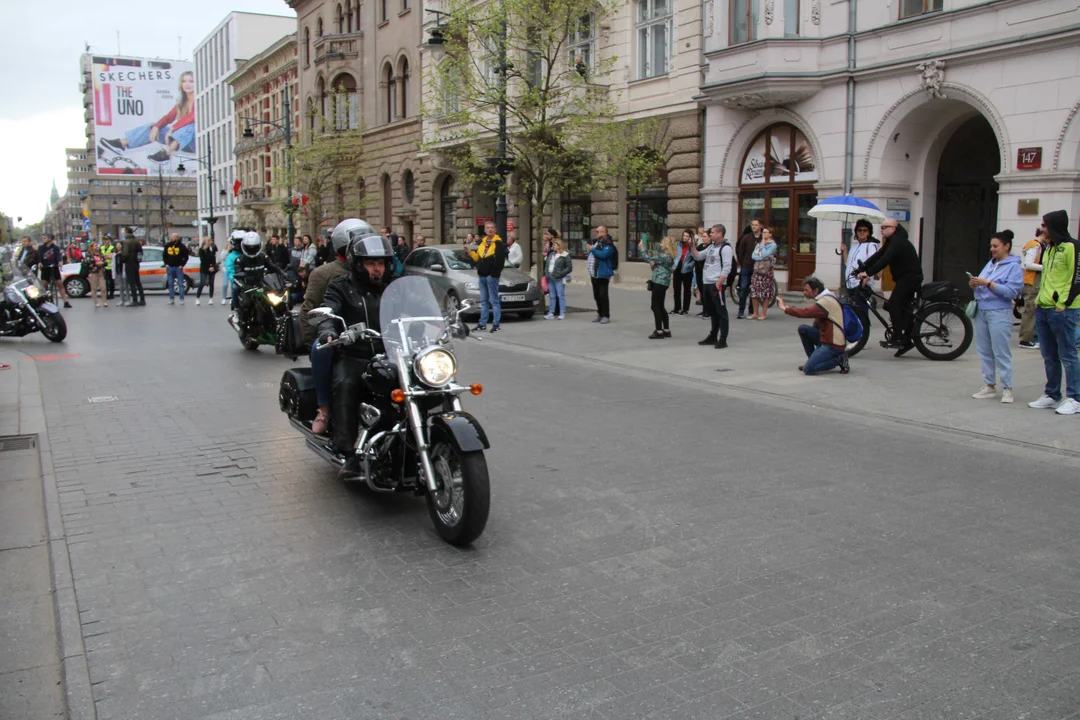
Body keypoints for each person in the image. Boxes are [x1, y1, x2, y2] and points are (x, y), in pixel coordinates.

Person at [312, 233, 395, 477]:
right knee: (346, 384)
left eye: (381, 263)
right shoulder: (341, 286)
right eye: (371, 263)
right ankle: (348, 452)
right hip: (355, 355)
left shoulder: (395, 284)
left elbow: (418, 302)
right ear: (358, 265)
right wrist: (328, 329)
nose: (377, 269)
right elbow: (329, 311)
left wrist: (441, 322)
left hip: (392, 354)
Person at [304, 220, 369, 435]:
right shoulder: (324, 274)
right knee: (319, 350)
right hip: (337, 335)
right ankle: (323, 408)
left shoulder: (377, 270)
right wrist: (317, 339)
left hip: (372, 333)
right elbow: (309, 309)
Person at [1028, 210, 1080, 415]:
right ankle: (1052, 394)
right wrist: (1040, 302)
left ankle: (1075, 398)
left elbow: (1077, 277)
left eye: (1045, 225)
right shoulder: (1049, 248)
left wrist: (1064, 303)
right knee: (1049, 355)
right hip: (1044, 307)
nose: (1042, 228)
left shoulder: (1072, 247)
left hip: (1063, 310)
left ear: (1054, 226)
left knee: (1068, 355)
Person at [969, 230, 1023, 404]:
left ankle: (1007, 388)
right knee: (984, 350)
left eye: (995, 246)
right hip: (982, 310)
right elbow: (984, 285)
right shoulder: (991, 263)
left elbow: (1011, 292)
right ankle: (989, 385)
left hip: (999, 311)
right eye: (991, 246)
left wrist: (988, 283)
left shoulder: (1013, 266)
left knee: (1001, 351)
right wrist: (975, 284)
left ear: (1006, 246)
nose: (992, 249)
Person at [856, 219, 922, 356]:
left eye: (884, 227)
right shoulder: (892, 241)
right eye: (881, 227)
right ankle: (907, 340)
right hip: (905, 278)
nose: (881, 230)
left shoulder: (897, 242)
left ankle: (897, 337)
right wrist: (861, 268)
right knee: (900, 307)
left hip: (910, 277)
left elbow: (885, 260)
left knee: (893, 304)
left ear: (893, 228)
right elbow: (878, 255)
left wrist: (868, 273)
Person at [99, 71, 195, 163]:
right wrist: (156, 127)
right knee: (153, 127)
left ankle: (166, 153)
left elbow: (193, 116)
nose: (187, 84)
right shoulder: (181, 103)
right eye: (184, 81)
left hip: (196, 143)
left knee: (193, 125)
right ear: (181, 84)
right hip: (181, 141)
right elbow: (169, 118)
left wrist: (173, 128)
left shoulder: (200, 99)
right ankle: (121, 143)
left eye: (191, 81)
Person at [777, 276, 850, 376]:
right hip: (826, 338)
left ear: (816, 290)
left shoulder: (826, 301)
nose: (804, 292)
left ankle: (839, 359)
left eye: (806, 290)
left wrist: (785, 308)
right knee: (803, 329)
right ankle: (813, 360)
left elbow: (806, 312)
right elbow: (817, 321)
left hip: (833, 344)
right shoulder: (827, 296)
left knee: (808, 370)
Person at [690, 224, 733, 349]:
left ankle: (723, 339)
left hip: (716, 283)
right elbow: (698, 255)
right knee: (712, 311)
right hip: (706, 283)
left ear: (720, 234)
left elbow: (727, 267)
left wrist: (718, 283)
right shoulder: (711, 247)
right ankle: (713, 336)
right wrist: (692, 244)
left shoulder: (725, 248)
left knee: (721, 312)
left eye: (713, 232)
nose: (710, 234)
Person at [467, 221, 508, 333]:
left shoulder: (498, 243)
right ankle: (482, 323)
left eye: (492, 228)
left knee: (494, 300)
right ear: (484, 230)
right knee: (484, 301)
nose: (489, 230)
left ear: (495, 230)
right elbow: (479, 258)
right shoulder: (482, 243)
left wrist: (493, 274)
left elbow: (500, 261)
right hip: (482, 275)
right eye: (487, 228)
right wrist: (470, 253)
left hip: (491, 276)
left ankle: (496, 324)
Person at [639, 236, 675, 339]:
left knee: (655, 306)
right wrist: (654, 266)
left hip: (659, 282)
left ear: (667, 245)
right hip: (663, 282)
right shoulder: (669, 257)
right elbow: (657, 265)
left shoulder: (664, 256)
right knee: (660, 306)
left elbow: (647, 258)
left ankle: (659, 331)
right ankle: (666, 330)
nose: (660, 245)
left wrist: (642, 247)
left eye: (662, 243)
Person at [842, 219, 881, 311]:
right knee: (853, 314)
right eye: (859, 230)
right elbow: (848, 264)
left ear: (869, 232)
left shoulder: (871, 246)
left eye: (865, 230)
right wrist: (845, 251)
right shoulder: (855, 246)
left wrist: (864, 282)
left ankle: (864, 326)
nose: (862, 232)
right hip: (850, 285)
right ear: (856, 232)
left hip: (861, 285)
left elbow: (874, 263)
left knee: (861, 313)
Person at [1019, 228, 1045, 349]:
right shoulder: (1035, 246)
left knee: (1031, 310)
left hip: (1033, 281)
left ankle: (1029, 338)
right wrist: (1046, 267)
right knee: (1030, 311)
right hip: (1033, 281)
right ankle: (1026, 340)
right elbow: (1028, 264)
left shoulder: (1035, 245)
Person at [586, 226, 616, 324]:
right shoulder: (596, 243)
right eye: (596, 232)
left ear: (604, 232)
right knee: (597, 295)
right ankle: (600, 313)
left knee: (603, 295)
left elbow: (603, 255)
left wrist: (592, 250)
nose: (596, 233)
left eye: (598, 232)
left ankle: (606, 315)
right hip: (594, 273)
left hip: (603, 273)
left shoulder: (608, 244)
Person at [749, 227, 778, 320]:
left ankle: (763, 313)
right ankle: (755, 313)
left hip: (766, 270)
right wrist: (762, 255)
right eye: (763, 232)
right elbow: (753, 256)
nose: (763, 234)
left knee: (766, 292)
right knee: (754, 291)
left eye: (765, 232)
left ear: (770, 234)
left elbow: (765, 254)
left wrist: (762, 249)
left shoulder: (773, 245)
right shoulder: (759, 244)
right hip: (757, 269)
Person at [735, 220, 761, 319]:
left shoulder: (763, 238)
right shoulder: (746, 237)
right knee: (744, 288)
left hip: (758, 268)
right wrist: (743, 263)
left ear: (760, 226)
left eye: (756, 225)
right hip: (746, 266)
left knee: (754, 290)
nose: (754, 227)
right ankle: (741, 310)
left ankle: (752, 310)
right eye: (752, 225)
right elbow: (740, 251)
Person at [37, 235, 71, 308]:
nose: (43, 239)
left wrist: (59, 262)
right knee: (44, 284)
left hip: (54, 267)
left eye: (45, 238)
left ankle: (66, 301)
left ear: (50, 239)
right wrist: (39, 262)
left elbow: (58, 256)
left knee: (59, 283)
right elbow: (39, 256)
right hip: (45, 267)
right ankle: (44, 300)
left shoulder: (55, 248)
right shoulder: (41, 248)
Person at [544, 237, 572, 321]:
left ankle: (562, 312)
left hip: (559, 277)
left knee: (560, 295)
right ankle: (551, 312)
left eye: (554, 245)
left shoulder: (565, 255)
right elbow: (547, 265)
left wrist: (561, 273)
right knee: (552, 296)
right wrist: (546, 274)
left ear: (559, 246)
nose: (553, 246)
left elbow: (569, 267)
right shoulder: (552, 254)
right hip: (550, 276)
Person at [672, 230, 695, 316]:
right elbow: (674, 254)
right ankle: (676, 308)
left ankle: (685, 309)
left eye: (687, 236)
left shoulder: (692, 246)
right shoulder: (678, 244)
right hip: (678, 267)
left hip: (687, 269)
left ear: (690, 237)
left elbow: (695, 257)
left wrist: (691, 245)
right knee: (676, 288)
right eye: (684, 236)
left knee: (686, 290)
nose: (685, 237)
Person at [163, 233, 189, 305]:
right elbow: (164, 255)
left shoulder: (182, 246)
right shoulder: (168, 245)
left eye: (172, 237)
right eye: (171, 237)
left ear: (176, 238)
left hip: (178, 267)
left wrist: (182, 265)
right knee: (170, 284)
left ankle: (181, 299)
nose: (171, 238)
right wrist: (166, 264)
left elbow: (186, 256)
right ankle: (171, 298)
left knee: (180, 283)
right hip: (170, 267)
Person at [121, 233, 145, 306]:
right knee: (138, 282)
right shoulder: (137, 242)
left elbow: (125, 254)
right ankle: (142, 299)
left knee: (132, 283)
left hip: (129, 263)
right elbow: (141, 252)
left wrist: (122, 259)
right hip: (136, 263)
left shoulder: (126, 242)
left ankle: (134, 300)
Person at [195, 237, 218, 306]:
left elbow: (214, 259)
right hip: (204, 268)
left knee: (211, 283)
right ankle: (197, 298)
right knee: (202, 283)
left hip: (212, 268)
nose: (211, 242)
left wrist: (213, 266)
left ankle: (211, 298)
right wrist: (208, 267)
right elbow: (203, 260)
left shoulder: (212, 248)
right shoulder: (201, 250)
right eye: (210, 241)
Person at [224, 231, 244, 309]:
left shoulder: (251, 254)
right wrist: (235, 280)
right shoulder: (231, 257)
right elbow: (230, 271)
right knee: (235, 288)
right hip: (240, 281)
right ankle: (236, 308)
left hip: (252, 279)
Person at [85, 242, 107, 307]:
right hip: (93, 272)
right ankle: (96, 302)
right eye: (95, 245)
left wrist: (102, 263)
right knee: (94, 288)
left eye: (97, 245)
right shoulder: (89, 254)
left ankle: (104, 301)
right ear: (91, 247)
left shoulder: (100, 253)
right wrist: (96, 263)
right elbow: (88, 262)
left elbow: (105, 261)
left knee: (103, 287)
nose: (97, 246)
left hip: (101, 271)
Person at [101, 234, 116, 299]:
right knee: (105, 282)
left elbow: (112, 256)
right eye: (104, 240)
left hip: (111, 267)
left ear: (109, 240)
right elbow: (100, 256)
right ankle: (106, 293)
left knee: (111, 281)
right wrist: (107, 256)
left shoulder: (112, 247)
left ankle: (111, 293)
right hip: (104, 267)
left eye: (107, 240)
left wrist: (105, 256)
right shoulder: (101, 248)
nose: (106, 241)